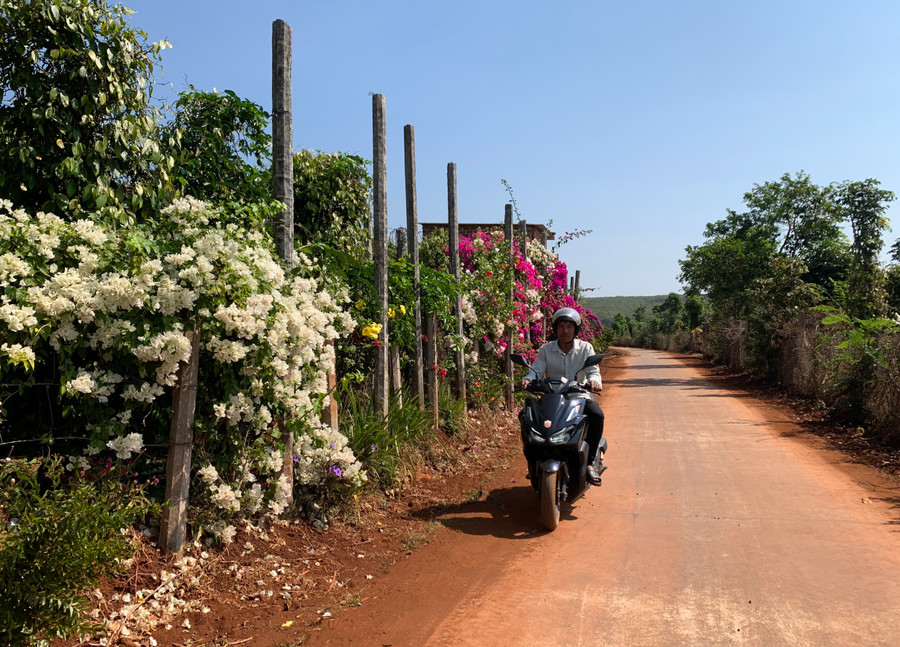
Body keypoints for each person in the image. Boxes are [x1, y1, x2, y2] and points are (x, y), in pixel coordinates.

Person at [520, 307, 607, 484]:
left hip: (579, 396)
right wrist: (528, 379)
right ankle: (533, 460)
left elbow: (593, 371)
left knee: (597, 415)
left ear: (576, 330)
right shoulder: (546, 350)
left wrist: (595, 381)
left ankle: (590, 463)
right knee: (526, 417)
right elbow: (536, 370)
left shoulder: (585, 348)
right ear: (555, 329)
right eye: (561, 326)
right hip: (552, 396)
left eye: (569, 326)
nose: (565, 330)